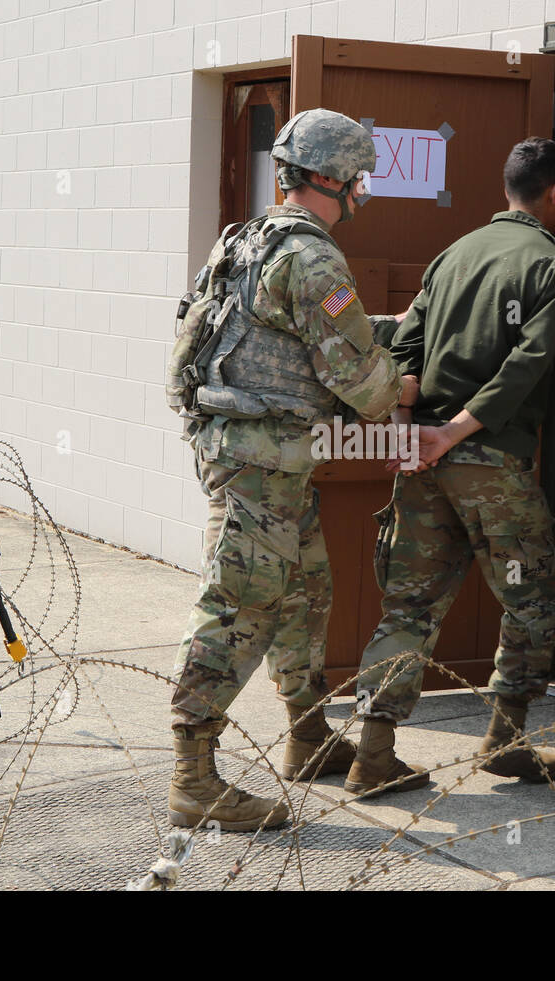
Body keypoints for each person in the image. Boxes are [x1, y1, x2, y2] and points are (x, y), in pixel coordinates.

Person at [166, 108, 417, 830]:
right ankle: (193, 777)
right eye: (359, 179)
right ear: (332, 178)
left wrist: (392, 331)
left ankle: (307, 735)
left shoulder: (248, 237)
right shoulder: (312, 258)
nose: (363, 192)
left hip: (262, 455)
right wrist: (407, 381)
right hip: (257, 462)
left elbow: (295, 337)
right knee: (239, 603)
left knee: (306, 589)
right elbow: (365, 388)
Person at [346, 137, 555, 797]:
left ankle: (372, 751)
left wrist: (414, 430)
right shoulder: (552, 266)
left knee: (409, 605)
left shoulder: (455, 253)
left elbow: (407, 344)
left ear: (508, 186)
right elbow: (524, 367)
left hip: (424, 458)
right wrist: (454, 432)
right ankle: (505, 740)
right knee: (532, 599)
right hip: (489, 461)